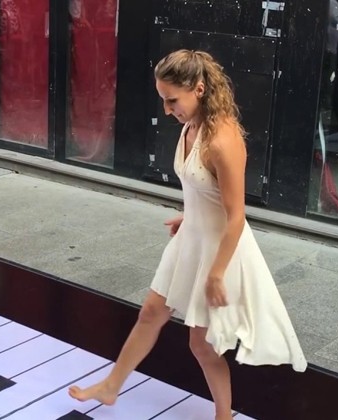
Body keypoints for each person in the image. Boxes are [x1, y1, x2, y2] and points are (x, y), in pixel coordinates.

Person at [68, 50, 307, 419]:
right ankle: (111, 388)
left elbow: (237, 216)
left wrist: (215, 274)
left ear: (198, 89)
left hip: (219, 250)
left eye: (171, 100)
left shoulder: (223, 141)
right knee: (151, 312)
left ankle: (223, 416)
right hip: (192, 239)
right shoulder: (191, 124)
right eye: (163, 100)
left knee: (202, 343)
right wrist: (190, 215)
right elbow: (204, 190)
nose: (166, 110)